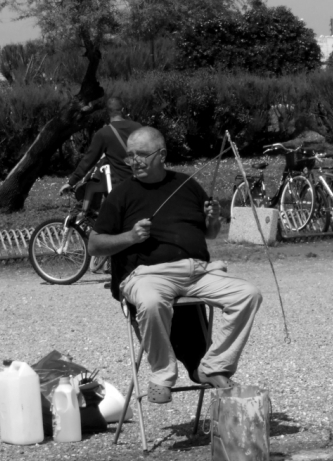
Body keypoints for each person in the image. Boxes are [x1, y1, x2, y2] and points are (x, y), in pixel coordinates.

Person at [88, 127, 262, 404]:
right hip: (147, 274)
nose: (134, 161)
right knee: (151, 301)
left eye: (142, 155)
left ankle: (213, 366)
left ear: (162, 155)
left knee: (248, 294)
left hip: (197, 271)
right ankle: (162, 375)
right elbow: (94, 245)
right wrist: (131, 237)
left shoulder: (186, 184)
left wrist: (213, 219)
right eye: (130, 155)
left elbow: (209, 233)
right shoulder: (121, 194)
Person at [59, 97, 141, 196]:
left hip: (119, 188)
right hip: (141, 182)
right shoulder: (138, 127)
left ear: (107, 113)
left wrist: (71, 182)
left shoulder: (103, 133)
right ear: (123, 110)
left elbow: (88, 161)